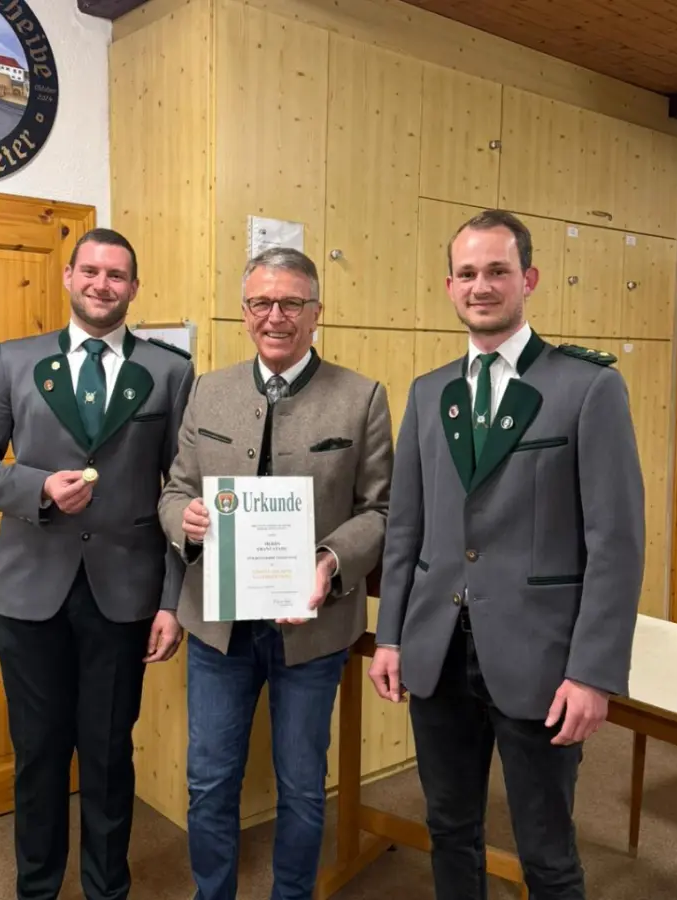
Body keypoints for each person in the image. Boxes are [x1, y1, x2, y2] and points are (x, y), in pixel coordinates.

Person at [368, 209, 644, 899]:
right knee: (448, 827)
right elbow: (406, 529)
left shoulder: (586, 387)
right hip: (438, 651)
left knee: (546, 852)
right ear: (449, 286)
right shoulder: (429, 393)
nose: (481, 286)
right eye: (467, 273)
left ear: (530, 278)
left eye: (498, 270)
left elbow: (615, 543)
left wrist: (593, 673)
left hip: (539, 657)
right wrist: (391, 636)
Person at [0, 228, 191, 900]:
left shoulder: (170, 371)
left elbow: (182, 491)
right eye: (90, 271)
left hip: (126, 594)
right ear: (68, 276)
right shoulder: (14, 360)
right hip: (30, 594)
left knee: (109, 755)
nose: (101, 284)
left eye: (116, 275)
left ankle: (107, 890)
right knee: (38, 755)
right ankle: (38, 889)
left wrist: (172, 599)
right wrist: (37, 489)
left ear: (133, 287)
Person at [155, 247, 392, 900]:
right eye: (261, 302)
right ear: (244, 313)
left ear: (317, 313)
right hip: (219, 627)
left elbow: (381, 510)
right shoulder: (209, 390)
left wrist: (330, 561)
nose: (275, 316)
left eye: (291, 303)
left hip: (311, 629)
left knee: (301, 786)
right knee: (209, 782)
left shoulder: (362, 397)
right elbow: (175, 490)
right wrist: (184, 520)